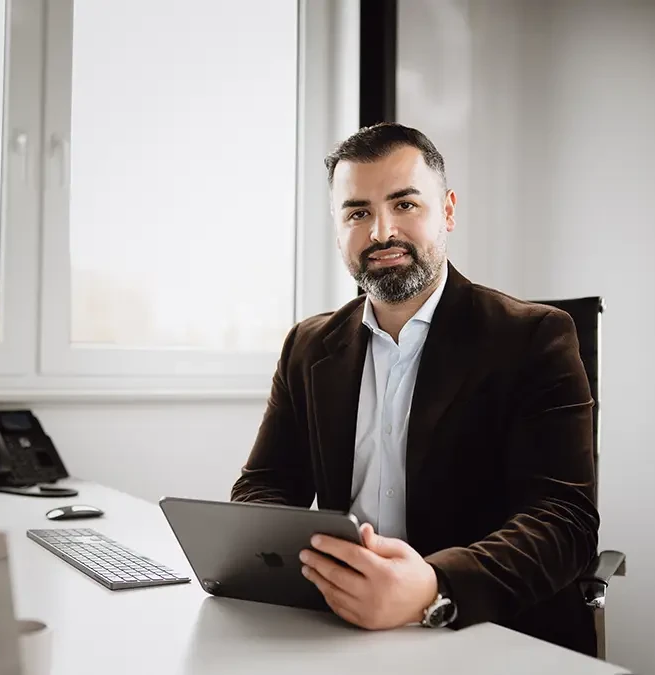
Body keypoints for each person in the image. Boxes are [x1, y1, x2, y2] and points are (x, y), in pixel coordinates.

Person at [230, 123, 599, 655]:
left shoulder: (535, 337)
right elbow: (263, 488)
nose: (381, 233)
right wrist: (309, 568)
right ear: (337, 227)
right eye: (357, 213)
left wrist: (431, 587)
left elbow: (564, 522)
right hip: (343, 631)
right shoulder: (307, 347)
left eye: (404, 205)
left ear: (447, 211)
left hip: (489, 633)